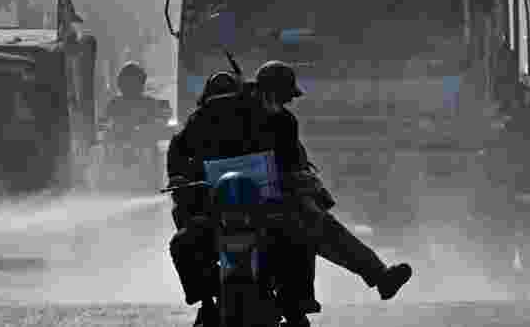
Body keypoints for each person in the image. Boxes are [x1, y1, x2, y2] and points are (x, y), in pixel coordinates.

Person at [167, 61, 412, 327]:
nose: (285, 102)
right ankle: (207, 298)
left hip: (270, 206)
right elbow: (178, 154)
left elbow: (297, 164)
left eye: (287, 98)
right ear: (263, 91)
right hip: (216, 210)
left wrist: (302, 184)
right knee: (184, 243)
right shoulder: (210, 116)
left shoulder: (284, 122)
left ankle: (304, 300)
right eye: (282, 96)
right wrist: (180, 182)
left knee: (309, 226)